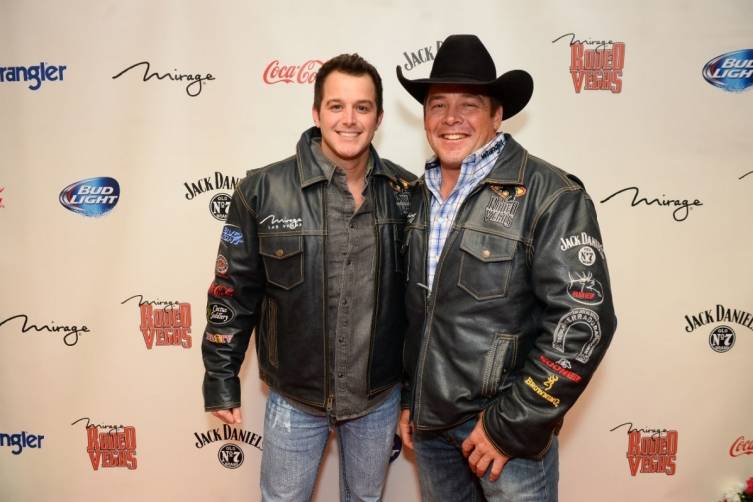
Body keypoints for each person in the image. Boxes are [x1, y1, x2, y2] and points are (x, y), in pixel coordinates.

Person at [396, 34, 617, 501]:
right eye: (438, 105)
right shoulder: (416, 195)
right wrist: (409, 399)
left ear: (498, 115)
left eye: (469, 105)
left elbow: (582, 324)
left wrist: (509, 425)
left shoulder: (551, 194)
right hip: (431, 427)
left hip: (505, 434)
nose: (450, 118)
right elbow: (417, 312)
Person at [201, 53, 415, 501]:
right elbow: (232, 293)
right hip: (295, 399)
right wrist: (221, 379)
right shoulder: (261, 190)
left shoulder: (408, 194)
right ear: (316, 113)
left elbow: (420, 307)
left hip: (377, 399)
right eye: (336, 106)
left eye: (362, 107)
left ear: (377, 117)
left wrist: (415, 395)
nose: (349, 119)